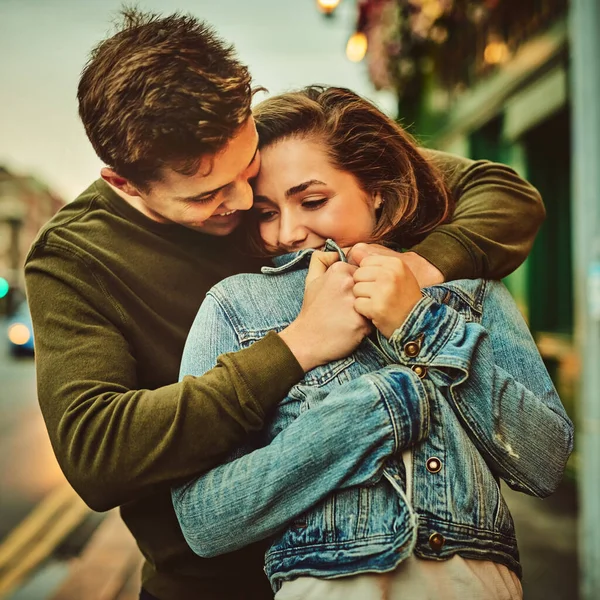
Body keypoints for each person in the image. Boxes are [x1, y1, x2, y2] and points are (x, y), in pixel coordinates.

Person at [24, 8, 547, 600]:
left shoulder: (274, 162)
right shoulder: (73, 259)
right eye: (209, 194)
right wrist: (298, 345)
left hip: (382, 570)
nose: (247, 201)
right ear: (125, 183)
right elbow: (98, 453)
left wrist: (414, 273)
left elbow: (501, 193)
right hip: (213, 585)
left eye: (246, 168)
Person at [172, 86, 574, 600]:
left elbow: (544, 464)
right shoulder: (238, 304)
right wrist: (374, 413)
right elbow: (205, 522)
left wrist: (420, 323)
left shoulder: (473, 293)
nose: (288, 232)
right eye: (267, 213)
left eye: (312, 200)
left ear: (377, 189)